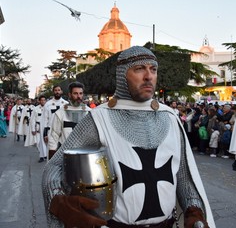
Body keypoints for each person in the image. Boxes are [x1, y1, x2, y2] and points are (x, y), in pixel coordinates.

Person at [42, 46, 215, 228]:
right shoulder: (99, 118)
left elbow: (184, 176)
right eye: (139, 69)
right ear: (122, 74)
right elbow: (54, 167)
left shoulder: (170, 117)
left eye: (153, 69)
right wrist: (61, 204)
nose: (148, 76)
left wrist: (193, 210)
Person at [47, 82, 91, 159]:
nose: (79, 96)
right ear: (70, 95)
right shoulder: (61, 112)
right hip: (65, 153)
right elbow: (54, 135)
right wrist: (52, 154)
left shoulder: (89, 112)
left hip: (84, 153)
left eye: (80, 93)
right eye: (75, 93)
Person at [28, 95, 47, 162]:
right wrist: (33, 129)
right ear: (39, 101)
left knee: (45, 142)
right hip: (38, 127)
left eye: (44, 100)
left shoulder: (48, 108)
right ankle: (43, 155)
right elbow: (32, 119)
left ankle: (44, 156)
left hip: (46, 127)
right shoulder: (35, 109)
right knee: (38, 143)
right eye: (41, 100)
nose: (43, 101)